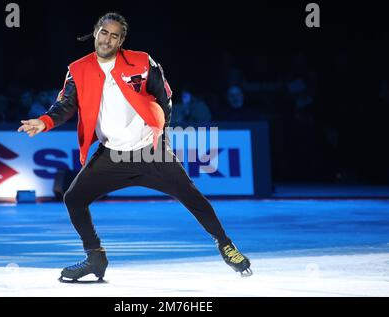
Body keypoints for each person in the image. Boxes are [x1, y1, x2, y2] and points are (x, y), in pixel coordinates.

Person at [17, 12, 251, 282]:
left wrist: (159, 133)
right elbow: (66, 106)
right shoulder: (78, 69)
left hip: (150, 151)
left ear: (121, 40)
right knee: (74, 198)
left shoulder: (141, 61)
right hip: (111, 156)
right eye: (104, 32)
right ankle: (95, 257)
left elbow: (165, 97)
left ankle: (226, 245)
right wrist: (44, 122)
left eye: (114, 35)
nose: (107, 39)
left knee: (192, 197)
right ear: (95, 32)